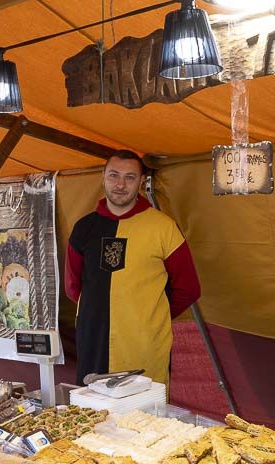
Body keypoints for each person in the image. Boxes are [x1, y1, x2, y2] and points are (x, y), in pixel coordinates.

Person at [64, 150, 201, 385]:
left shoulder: (163, 227)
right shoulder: (84, 228)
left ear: (141, 181)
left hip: (145, 343)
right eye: (114, 175)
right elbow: (73, 286)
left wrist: (149, 318)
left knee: (143, 414)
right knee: (93, 412)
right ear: (103, 177)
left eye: (130, 177)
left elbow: (188, 288)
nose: (120, 184)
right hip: (94, 339)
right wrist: (101, 313)